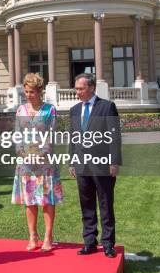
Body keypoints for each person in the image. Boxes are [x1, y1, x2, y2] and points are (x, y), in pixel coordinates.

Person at [69, 73, 122, 258]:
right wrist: (72, 161)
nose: (77, 92)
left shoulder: (107, 107)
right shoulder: (74, 110)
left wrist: (114, 161)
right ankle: (89, 242)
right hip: (82, 165)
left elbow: (114, 137)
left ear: (91, 88)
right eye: (76, 89)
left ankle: (108, 244)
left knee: (106, 204)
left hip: (103, 165)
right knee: (87, 204)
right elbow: (73, 138)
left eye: (81, 89)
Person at [11, 73, 63, 252]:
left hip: (45, 162)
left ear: (40, 91)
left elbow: (51, 135)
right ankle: (33, 235)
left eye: (32, 91)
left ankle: (48, 236)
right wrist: (22, 153)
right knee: (30, 200)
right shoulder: (20, 110)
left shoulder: (50, 110)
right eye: (26, 91)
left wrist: (41, 154)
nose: (28, 95)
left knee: (47, 200)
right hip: (25, 163)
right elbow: (17, 135)